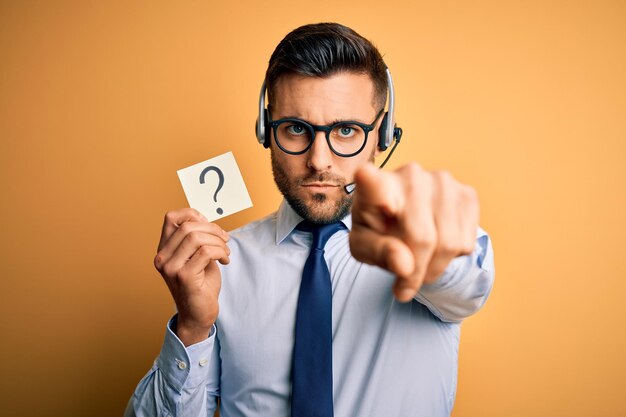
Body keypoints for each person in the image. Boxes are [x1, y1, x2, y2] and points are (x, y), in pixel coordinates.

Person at [126, 22, 494, 417]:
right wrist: (192, 328)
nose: (319, 160)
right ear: (266, 130)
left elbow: (465, 280)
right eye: (297, 129)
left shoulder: (420, 238)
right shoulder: (219, 267)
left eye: (347, 130)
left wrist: (436, 251)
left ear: (383, 134)